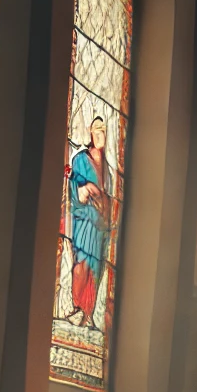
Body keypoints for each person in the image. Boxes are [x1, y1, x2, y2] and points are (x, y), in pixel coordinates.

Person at [67, 116, 114, 327]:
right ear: (90, 134)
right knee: (81, 266)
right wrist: (86, 189)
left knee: (95, 270)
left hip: (100, 229)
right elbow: (75, 188)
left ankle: (87, 314)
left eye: (103, 131)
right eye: (96, 131)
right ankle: (77, 307)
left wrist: (105, 202)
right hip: (84, 221)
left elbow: (110, 200)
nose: (100, 135)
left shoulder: (108, 171)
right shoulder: (81, 160)